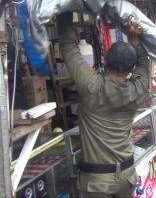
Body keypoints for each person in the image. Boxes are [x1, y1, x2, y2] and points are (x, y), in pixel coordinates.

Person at [58, 13, 149, 198]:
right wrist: (135, 41)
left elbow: (69, 48)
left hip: (96, 182)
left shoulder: (91, 85)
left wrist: (64, 12)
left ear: (106, 63)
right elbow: (142, 65)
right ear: (131, 69)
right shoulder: (137, 90)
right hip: (126, 176)